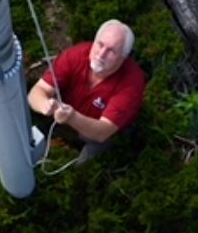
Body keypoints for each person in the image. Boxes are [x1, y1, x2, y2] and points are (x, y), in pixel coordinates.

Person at [27, 19, 145, 161]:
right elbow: (36, 92)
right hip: (59, 118)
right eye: (100, 44)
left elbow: (102, 132)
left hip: (93, 134)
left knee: (96, 151)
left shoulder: (131, 84)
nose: (101, 55)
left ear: (123, 58)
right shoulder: (76, 55)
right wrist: (45, 105)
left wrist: (72, 117)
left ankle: (74, 173)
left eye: (111, 51)